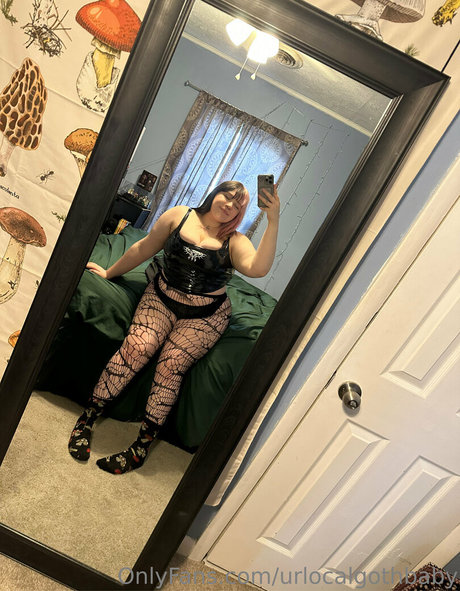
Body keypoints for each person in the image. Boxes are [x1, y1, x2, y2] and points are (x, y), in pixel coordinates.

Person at [68, 180, 280, 474]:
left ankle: (141, 446)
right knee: (136, 347)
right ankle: (87, 418)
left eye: (238, 204)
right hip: (162, 297)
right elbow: (143, 247)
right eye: (227, 196)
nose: (230, 205)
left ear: (240, 213)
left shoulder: (235, 241)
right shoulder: (179, 215)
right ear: (215, 193)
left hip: (206, 314)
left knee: (171, 365)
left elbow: (258, 268)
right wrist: (109, 272)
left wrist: (273, 220)